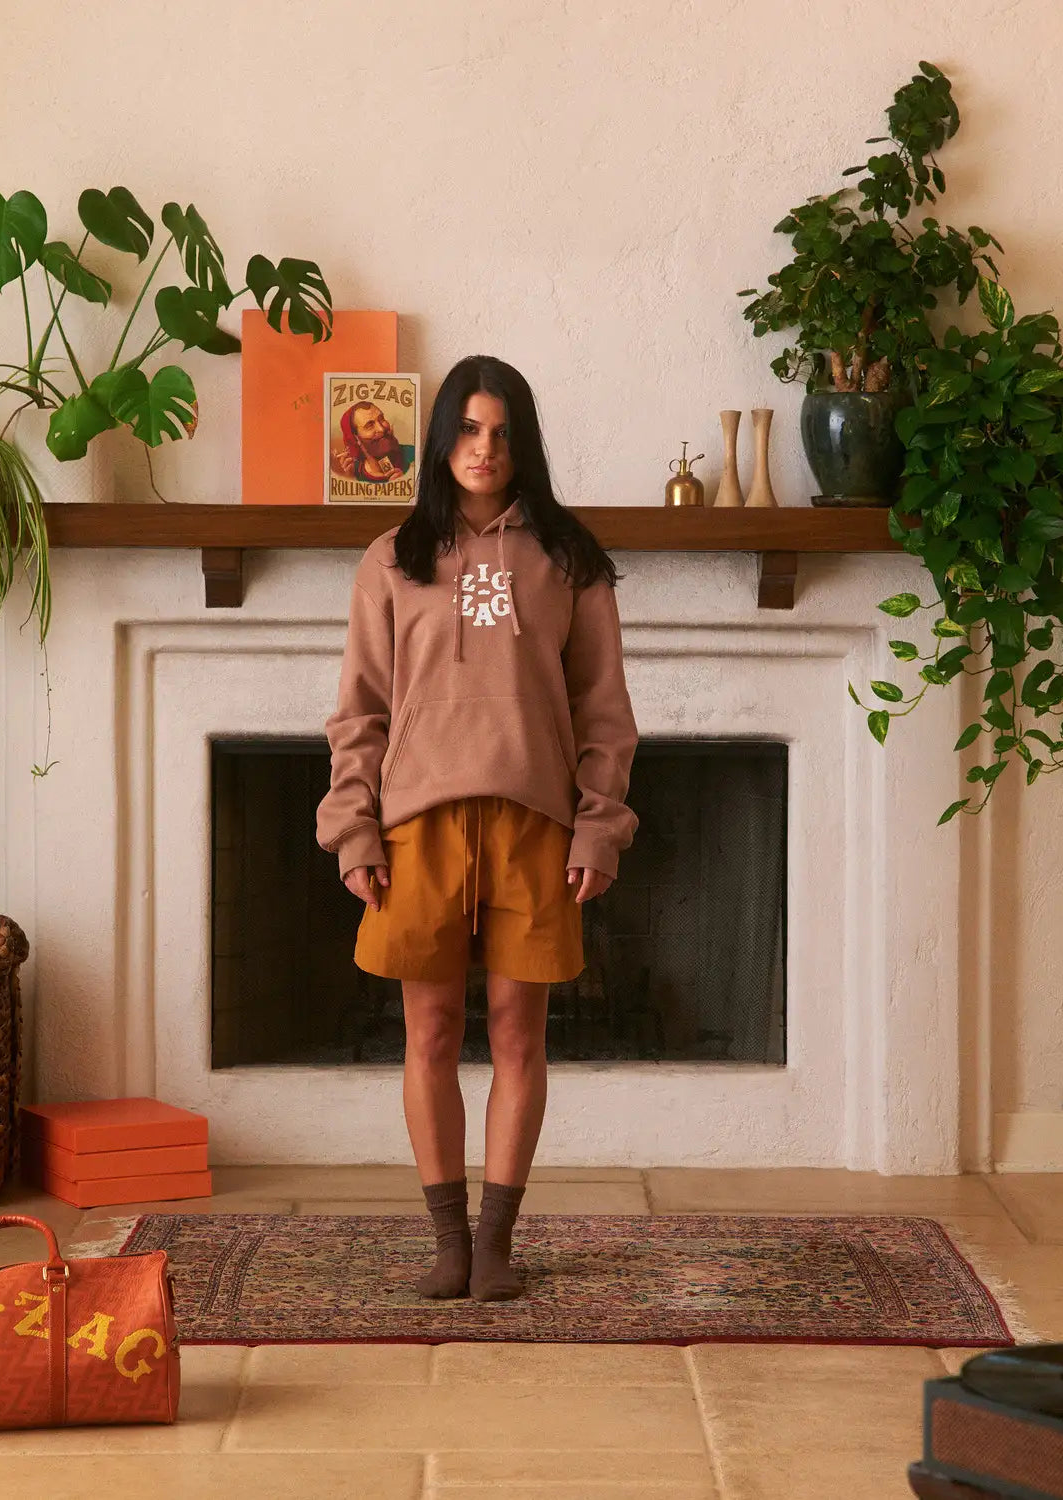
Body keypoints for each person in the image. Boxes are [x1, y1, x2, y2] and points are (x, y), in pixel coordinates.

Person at [315, 354, 638, 1301]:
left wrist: (598, 828)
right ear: (440, 438)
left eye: (501, 432)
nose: (483, 448)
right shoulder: (391, 558)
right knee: (425, 1034)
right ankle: (447, 1241)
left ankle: (497, 1243)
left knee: (517, 1038)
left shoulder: (569, 560)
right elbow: (360, 708)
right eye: (466, 428)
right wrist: (355, 828)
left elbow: (605, 711)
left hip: (535, 826)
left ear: (523, 441)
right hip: (417, 825)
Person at [334, 399, 413, 481]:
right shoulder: (353, 473)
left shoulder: (412, 455)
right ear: (356, 438)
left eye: (381, 419)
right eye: (369, 425)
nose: (381, 429)